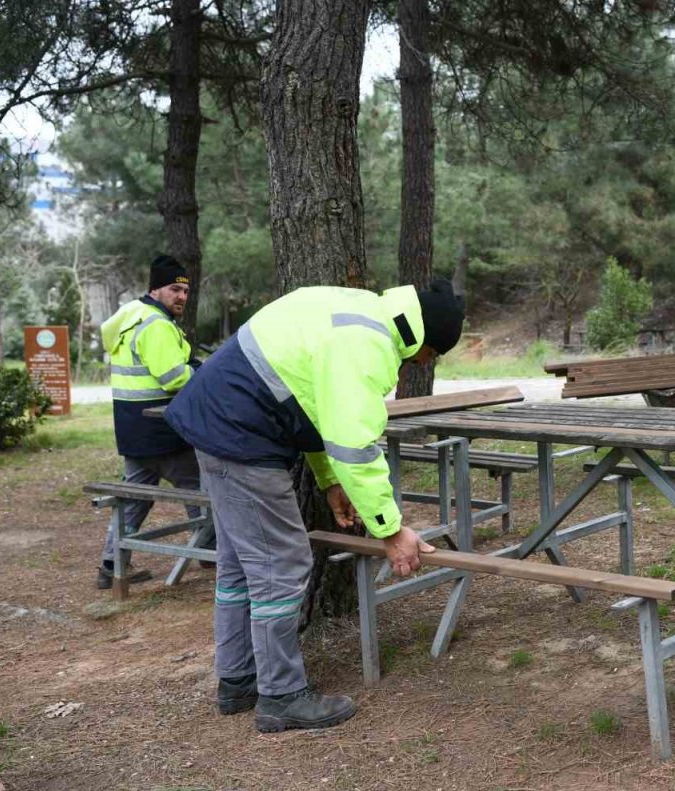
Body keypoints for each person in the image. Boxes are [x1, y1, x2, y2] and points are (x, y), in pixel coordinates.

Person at [164, 278, 466, 733]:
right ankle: (281, 694)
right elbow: (355, 447)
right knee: (281, 563)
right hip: (242, 435)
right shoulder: (367, 344)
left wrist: (329, 481)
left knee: (240, 564)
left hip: (218, 421)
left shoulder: (357, 311)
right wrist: (390, 530)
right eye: (432, 354)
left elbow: (312, 403)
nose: (425, 363)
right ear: (423, 339)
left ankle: (238, 680)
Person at [97, 255, 206, 590]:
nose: (182, 297)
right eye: (174, 289)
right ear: (155, 289)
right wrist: (201, 371)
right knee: (201, 489)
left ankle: (111, 564)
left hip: (132, 431)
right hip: (164, 431)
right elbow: (174, 378)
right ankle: (210, 551)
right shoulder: (156, 324)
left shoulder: (131, 317)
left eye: (185, 291)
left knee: (136, 497)